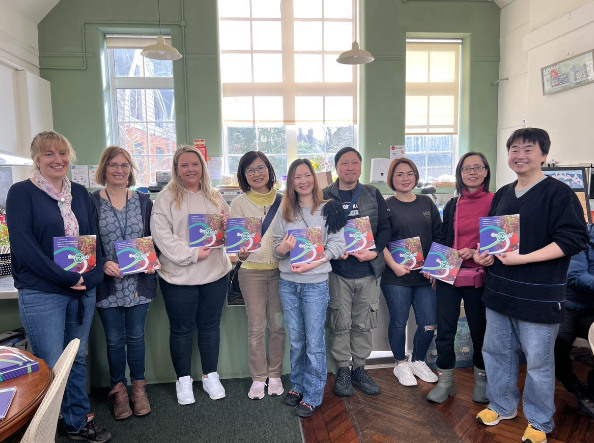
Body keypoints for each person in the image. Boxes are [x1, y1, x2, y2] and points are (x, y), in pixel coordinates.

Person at [474, 128, 588, 443]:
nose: (520, 155)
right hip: (498, 291)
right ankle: (502, 405)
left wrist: (523, 259)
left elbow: (573, 240)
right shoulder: (503, 192)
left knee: (538, 361)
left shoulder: (558, 193)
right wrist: (487, 254)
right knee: (496, 352)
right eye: (514, 149)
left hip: (539, 296)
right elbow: (498, 238)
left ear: (543, 155)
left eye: (528, 149)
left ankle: (539, 421)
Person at [6, 131, 111, 442]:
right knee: (51, 363)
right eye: (49, 154)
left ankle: (77, 422)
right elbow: (24, 248)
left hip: (81, 291)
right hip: (43, 292)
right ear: (37, 159)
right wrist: (69, 278)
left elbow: (94, 241)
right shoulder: (21, 193)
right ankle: (46, 430)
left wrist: (91, 278)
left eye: (63, 153)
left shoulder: (80, 193)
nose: (57, 159)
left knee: (76, 358)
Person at [151, 145, 232, 405]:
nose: (190, 169)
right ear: (176, 169)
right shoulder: (165, 198)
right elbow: (163, 238)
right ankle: (183, 381)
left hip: (215, 274)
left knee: (210, 327)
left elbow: (227, 231)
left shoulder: (215, 196)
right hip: (179, 277)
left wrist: (230, 228)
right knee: (181, 330)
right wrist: (194, 253)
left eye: (195, 164)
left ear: (202, 167)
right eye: (184, 165)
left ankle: (210, 376)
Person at [272, 158, 345, 418]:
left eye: (307, 175)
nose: (303, 181)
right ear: (290, 182)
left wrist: (318, 259)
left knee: (314, 343)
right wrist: (284, 249)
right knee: (297, 341)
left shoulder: (329, 209)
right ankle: (299, 385)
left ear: (314, 179)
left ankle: (313, 394)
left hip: (315, 285)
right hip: (289, 285)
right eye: (297, 177)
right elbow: (276, 248)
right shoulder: (285, 211)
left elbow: (338, 245)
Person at [90, 146, 156, 419]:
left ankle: (139, 389)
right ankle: (119, 392)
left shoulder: (143, 201)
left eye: (125, 165)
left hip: (138, 282)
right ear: (104, 168)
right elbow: (85, 238)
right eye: (114, 165)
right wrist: (102, 262)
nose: (119, 170)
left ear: (131, 170)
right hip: (108, 284)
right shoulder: (91, 201)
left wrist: (154, 259)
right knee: (115, 340)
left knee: (137, 338)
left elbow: (154, 237)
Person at [323, 147, 392, 396]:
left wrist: (375, 252)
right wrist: (331, 249)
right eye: (344, 163)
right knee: (339, 321)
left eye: (354, 163)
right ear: (336, 167)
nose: (350, 167)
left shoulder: (373, 193)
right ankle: (343, 368)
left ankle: (359, 368)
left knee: (363, 323)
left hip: (368, 270)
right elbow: (317, 230)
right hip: (336, 271)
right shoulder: (324, 195)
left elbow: (385, 227)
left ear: (360, 167)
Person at [426, 152, 493, 404]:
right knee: (445, 331)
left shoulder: (496, 201)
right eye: (467, 168)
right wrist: (435, 268)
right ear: (460, 173)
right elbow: (444, 239)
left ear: (486, 171)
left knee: (480, 331)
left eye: (478, 167)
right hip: (449, 275)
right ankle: (446, 382)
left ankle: (482, 381)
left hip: (481, 276)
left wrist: (476, 249)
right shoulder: (453, 204)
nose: (472, 172)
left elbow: (501, 239)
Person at [381, 157, 441, 387]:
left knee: (428, 322)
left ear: (416, 177)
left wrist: (435, 267)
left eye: (409, 174)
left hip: (426, 276)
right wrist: (394, 266)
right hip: (396, 276)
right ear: (392, 179)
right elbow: (380, 241)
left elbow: (439, 235)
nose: (405, 178)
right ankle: (400, 364)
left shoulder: (426, 203)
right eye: (399, 174)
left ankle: (418, 360)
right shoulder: (386, 206)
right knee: (399, 321)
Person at [229, 151, 285, 400]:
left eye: (260, 168)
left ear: (269, 170)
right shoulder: (238, 203)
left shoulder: (285, 201)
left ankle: (275, 375)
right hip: (251, 274)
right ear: (244, 175)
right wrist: (240, 255)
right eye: (250, 170)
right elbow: (234, 250)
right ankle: (258, 378)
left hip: (281, 272)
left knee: (277, 326)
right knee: (255, 328)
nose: (256, 174)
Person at [554, 223, 594, 415]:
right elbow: (575, 275)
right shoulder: (581, 236)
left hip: (591, 309)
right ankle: (572, 384)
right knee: (558, 341)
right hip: (567, 305)